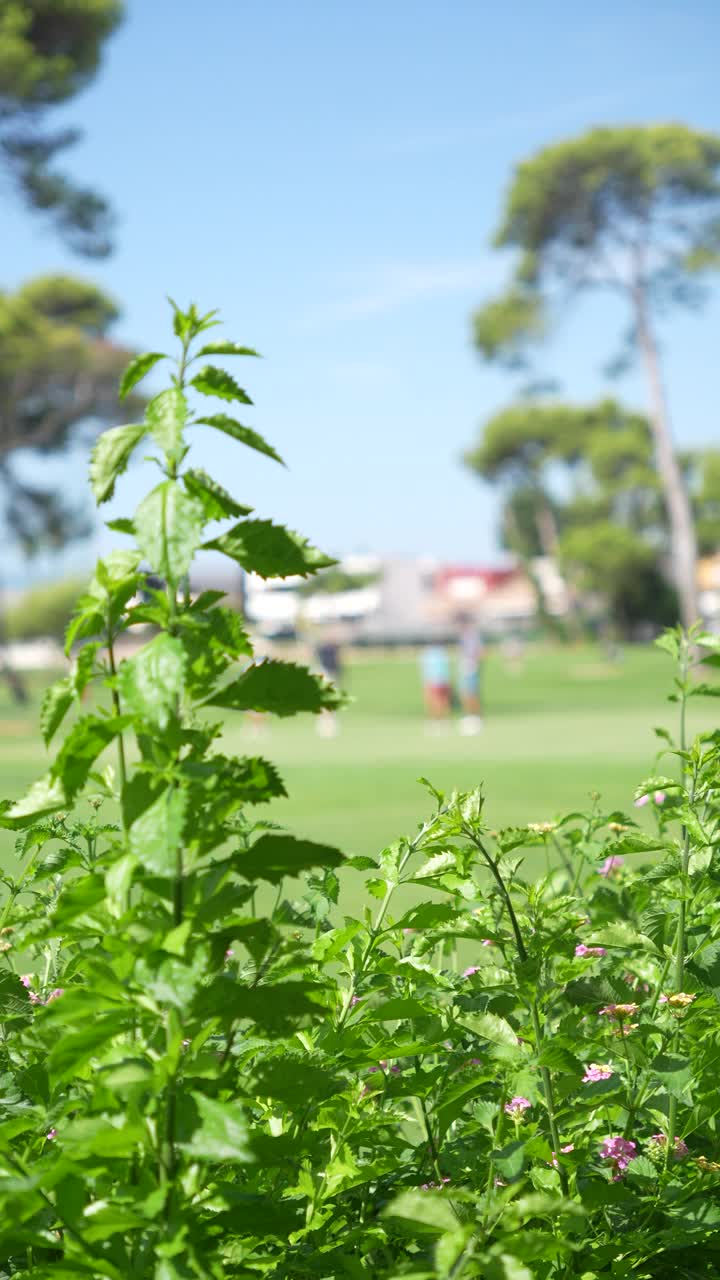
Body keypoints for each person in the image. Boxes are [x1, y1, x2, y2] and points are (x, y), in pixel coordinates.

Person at [456, 616, 484, 735]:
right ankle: (469, 716)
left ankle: (475, 718)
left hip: (470, 668)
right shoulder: (463, 636)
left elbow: (480, 652)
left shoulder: (472, 636)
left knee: (471, 693)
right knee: (465, 693)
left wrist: (473, 664)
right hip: (464, 667)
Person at [314, 629, 342, 737]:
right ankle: (324, 724)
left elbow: (337, 664)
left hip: (333, 676)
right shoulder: (322, 649)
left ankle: (330, 723)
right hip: (325, 675)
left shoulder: (335, 648)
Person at [419, 641, 452, 725]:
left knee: (435, 700)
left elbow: (426, 669)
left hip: (434, 680)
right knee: (442, 701)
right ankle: (442, 719)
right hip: (442, 680)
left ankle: (437, 719)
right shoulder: (442, 653)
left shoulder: (427, 654)